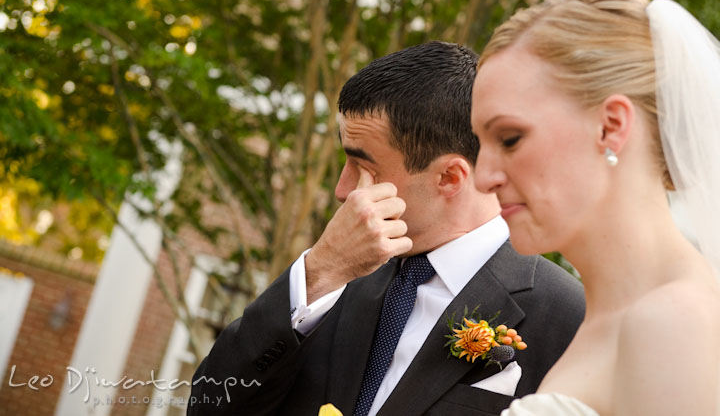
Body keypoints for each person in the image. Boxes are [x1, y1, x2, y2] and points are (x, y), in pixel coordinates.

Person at [188, 41, 585, 416]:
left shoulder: (570, 318)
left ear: (449, 177)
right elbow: (207, 407)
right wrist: (321, 272)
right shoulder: (327, 285)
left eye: (364, 166)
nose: (342, 190)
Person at [471, 0, 720, 415]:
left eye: (509, 139)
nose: (482, 177)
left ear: (611, 126)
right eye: (479, 147)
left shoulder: (674, 321)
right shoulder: (607, 321)